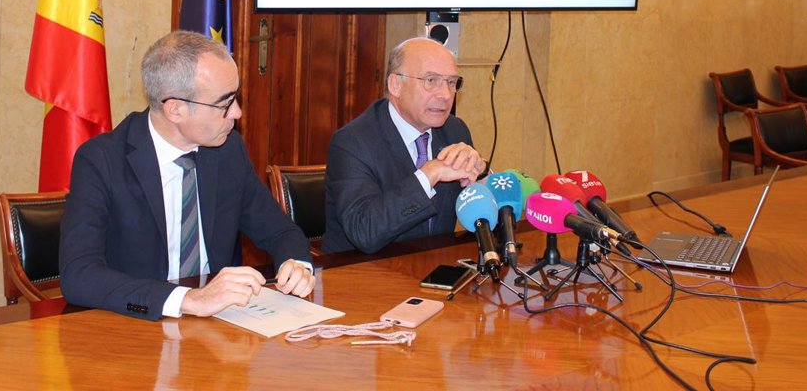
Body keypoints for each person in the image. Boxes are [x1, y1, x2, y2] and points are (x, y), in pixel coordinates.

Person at [60, 30, 315, 319]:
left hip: (218, 325)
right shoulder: (102, 161)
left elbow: (279, 231)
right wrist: (188, 300)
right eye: (225, 103)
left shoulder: (227, 150)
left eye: (236, 98)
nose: (237, 113)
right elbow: (79, 275)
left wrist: (296, 265)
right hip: (135, 326)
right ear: (175, 110)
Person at [322, 37, 487, 253]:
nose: (446, 95)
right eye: (431, 80)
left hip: (433, 265)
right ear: (396, 85)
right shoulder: (352, 142)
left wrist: (481, 175)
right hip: (362, 268)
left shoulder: (455, 131)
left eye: (451, 82)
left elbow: (479, 213)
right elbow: (364, 231)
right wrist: (429, 174)